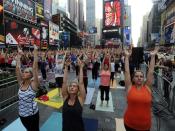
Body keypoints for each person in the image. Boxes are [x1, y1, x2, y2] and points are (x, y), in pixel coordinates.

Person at [123, 46, 159, 131]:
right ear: (133, 79)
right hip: (129, 124)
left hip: (145, 127)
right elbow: (127, 72)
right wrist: (127, 57)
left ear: (144, 78)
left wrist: (153, 56)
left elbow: (150, 72)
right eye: (136, 76)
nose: (139, 78)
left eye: (141, 76)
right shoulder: (129, 87)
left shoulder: (147, 88)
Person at [16, 45, 40, 131]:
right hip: (21, 114)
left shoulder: (33, 85)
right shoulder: (21, 83)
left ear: (31, 75)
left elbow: (35, 68)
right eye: (24, 72)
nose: (23, 73)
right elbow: (17, 68)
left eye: (26, 72)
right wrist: (18, 56)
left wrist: (35, 52)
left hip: (32, 115)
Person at [62, 57, 86, 131]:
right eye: (70, 86)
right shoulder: (65, 97)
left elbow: (81, 83)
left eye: (74, 86)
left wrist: (81, 68)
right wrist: (66, 67)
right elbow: (64, 82)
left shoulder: (81, 99)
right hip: (66, 128)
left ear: (78, 89)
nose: (72, 87)